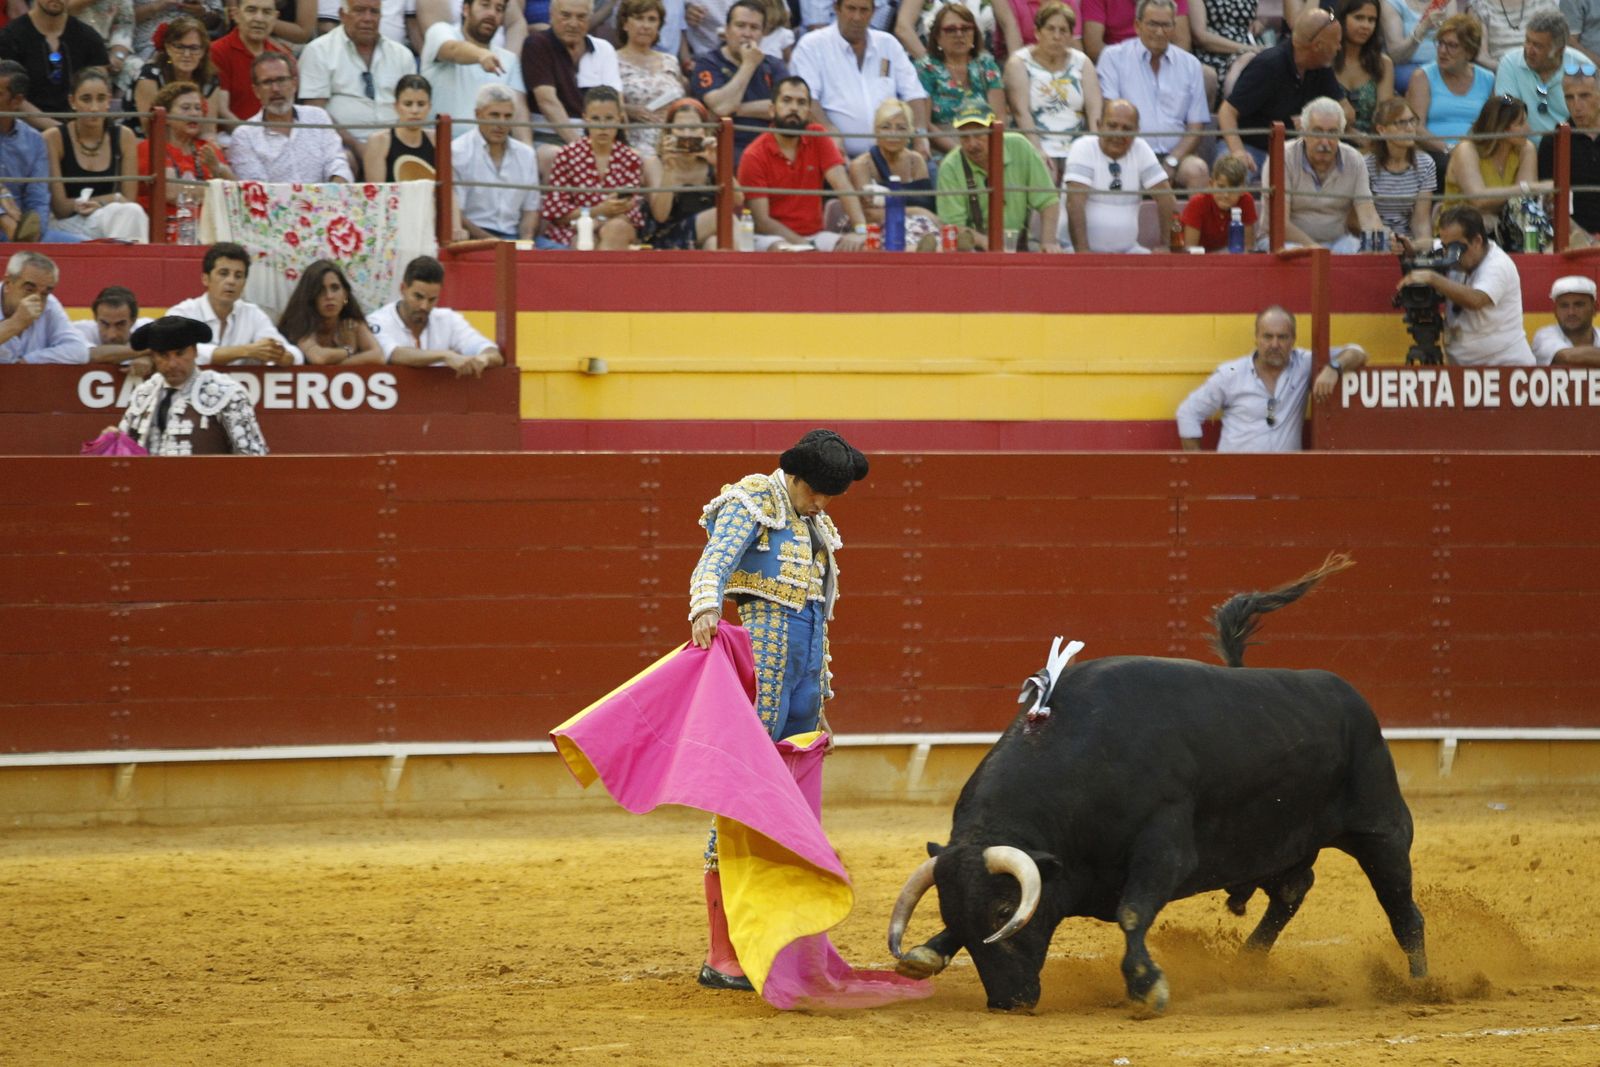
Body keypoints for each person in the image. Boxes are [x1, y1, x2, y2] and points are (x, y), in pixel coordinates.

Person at [687, 428, 870, 990]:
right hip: (764, 674)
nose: (823, 503)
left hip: (800, 681)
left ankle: (774, 940)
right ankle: (723, 955)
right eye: (817, 492)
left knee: (789, 813)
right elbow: (713, 562)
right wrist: (705, 610)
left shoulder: (815, 526)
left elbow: (818, 618)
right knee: (740, 803)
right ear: (794, 477)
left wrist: (821, 707)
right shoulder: (751, 501)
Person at [1176, 305, 1369, 452]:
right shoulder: (1231, 373)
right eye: (1267, 337)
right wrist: (1198, 466)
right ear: (1256, 338)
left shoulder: (1304, 363)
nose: (1274, 344)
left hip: (1283, 487)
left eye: (1282, 337)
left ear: (1293, 339)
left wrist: (1333, 368)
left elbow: (1358, 352)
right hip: (1236, 487)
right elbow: (1188, 413)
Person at [735, 76, 868, 250]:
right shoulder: (754, 155)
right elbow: (761, 221)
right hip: (770, 239)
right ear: (772, 110)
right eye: (787, 101)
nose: (794, 108)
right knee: (785, 251)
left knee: (862, 247)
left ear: (808, 111)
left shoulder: (817, 136)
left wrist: (860, 230)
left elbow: (842, 185)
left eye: (801, 103)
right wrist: (804, 245)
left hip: (815, 236)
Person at [1397, 204, 1535, 365]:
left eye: (1455, 248)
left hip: (1504, 367)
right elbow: (1430, 244)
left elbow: (1476, 300)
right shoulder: (1454, 248)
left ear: (1477, 241)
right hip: (1465, 370)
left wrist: (1432, 278)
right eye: (1445, 246)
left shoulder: (1498, 264)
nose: (1449, 254)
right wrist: (1411, 247)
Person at [790, 0, 932, 158]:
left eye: (863, 10)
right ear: (837, 8)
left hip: (892, 154)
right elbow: (808, 98)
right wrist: (828, 130)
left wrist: (920, 133)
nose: (857, 17)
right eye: (851, 9)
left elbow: (914, 93)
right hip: (834, 156)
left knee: (930, 171)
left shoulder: (888, 44)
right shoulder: (811, 45)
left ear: (873, 12)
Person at [113, 316, 269, 456]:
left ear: (194, 351)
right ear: (153, 356)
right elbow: (124, 457)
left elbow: (254, 458)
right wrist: (113, 440)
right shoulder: (143, 394)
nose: (172, 364)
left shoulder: (227, 393)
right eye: (163, 355)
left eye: (180, 353)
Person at [1095, 0, 1211, 186]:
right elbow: (1112, 116)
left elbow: (1196, 128)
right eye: (1153, 24)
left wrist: (1172, 162)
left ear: (1174, 26)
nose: (1159, 31)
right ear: (1137, 25)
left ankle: (1195, 216)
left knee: (1197, 170)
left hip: (1176, 156)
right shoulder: (1113, 57)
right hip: (1128, 151)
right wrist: (1145, 162)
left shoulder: (1190, 65)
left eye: (1166, 25)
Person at [1220, 8, 1349, 172]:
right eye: (1336, 42)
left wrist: (1311, 119)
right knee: (1233, 172)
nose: (1339, 48)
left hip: (1294, 152)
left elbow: (1348, 112)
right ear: (1318, 46)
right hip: (1251, 146)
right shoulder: (1269, 65)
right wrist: (1238, 152)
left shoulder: (1321, 66)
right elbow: (1227, 111)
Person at [299, 0, 420, 164]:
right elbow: (315, 113)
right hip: (339, 145)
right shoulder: (318, 51)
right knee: (342, 161)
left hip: (394, 144)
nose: (367, 18)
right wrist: (356, 146)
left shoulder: (402, 55)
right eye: (360, 10)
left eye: (374, 12)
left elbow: (411, 106)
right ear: (342, 15)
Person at [1263, 95, 1388, 252]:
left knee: (1365, 253)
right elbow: (1280, 223)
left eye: (1332, 132)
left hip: (1337, 242)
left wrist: (1380, 245)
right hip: (1287, 243)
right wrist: (1316, 250)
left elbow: (1368, 216)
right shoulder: (1282, 156)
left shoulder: (1354, 160)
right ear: (1304, 132)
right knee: (1295, 256)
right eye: (1317, 131)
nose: (1324, 141)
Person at [936, 100, 1061, 249]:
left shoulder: (1020, 146)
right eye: (964, 137)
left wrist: (1048, 243)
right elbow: (953, 227)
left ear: (995, 130)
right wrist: (985, 242)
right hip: (972, 252)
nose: (972, 144)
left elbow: (1048, 201)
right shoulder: (950, 166)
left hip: (1018, 245)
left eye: (978, 135)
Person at [41, 70, 148, 243]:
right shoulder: (53, 138)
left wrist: (102, 204)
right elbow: (60, 208)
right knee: (129, 214)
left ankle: (120, 267)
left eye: (101, 99)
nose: (94, 108)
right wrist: (112, 199)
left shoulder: (124, 136)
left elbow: (129, 199)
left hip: (110, 219)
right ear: (72, 101)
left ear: (109, 102)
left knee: (132, 212)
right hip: (67, 224)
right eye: (86, 99)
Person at [539, 85, 645, 247]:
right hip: (574, 230)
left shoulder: (630, 159)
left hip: (615, 228)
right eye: (596, 119)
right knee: (584, 234)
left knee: (616, 228)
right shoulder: (567, 155)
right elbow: (558, 214)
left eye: (609, 118)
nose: (602, 126)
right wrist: (597, 212)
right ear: (585, 119)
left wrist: (602, 222)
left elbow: (631, 214)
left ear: (619, 119)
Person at [166, 242, 303, 367]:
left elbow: (295, 355)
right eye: (223, 274)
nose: (231, 281)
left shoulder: (253, 314)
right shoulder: (184, 313)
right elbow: (178, 350)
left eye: (238, 276)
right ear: (205, 279)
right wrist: (245, 351)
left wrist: (281, 356)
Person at [1063, 97, 1172, 251]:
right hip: (1076, 251)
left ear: (1136, 132)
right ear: (1099, 125)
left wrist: (1167, 246)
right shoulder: (1083, 147)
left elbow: (1166, 199)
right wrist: (1083, 255)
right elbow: (1074, 203)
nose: (1118, 134)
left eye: (1126, 129)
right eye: (1112, 126)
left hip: (1129, 251)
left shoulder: (1141, 149)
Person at [1004, 1, 1100, 175]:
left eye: (1063, 30)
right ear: (1037, 32)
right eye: (1050, 29)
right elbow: (1020, 112)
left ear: (1071, 35)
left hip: (1078, 147)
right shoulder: (1019, 62)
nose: (1057, 36)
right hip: (1035, 145)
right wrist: (1038, 150)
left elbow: (1095, 113)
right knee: (1045, 171)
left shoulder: (1083, 62)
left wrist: (1094, 150)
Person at [368, 254, 505, 374]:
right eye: (418, 297)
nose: (424, 306)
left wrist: (484, 359)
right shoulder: (377, 321)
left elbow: (492, 352)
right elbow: (393, 354)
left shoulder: (448, 319)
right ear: (403, 289)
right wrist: (445, 356)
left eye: (432, 299)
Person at [229, 53, 355, 183]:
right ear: (256, 91)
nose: (276, 89)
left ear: (294, 84)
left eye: (281, 80)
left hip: (326, 199)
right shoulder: (245, 135)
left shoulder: (317, 117)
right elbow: (256, 187)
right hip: (274, 202)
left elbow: (335, 161)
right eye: (267, 82)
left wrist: (337, 184)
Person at [135, 81, 236, 243]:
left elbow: (234, 191)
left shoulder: (208, 148)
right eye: (186, 108)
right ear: (166, 117)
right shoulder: (150, 147)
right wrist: (215, 189)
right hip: (165, 232)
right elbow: (171, 192)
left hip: (210, 230)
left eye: (198, 108)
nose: (194, 113)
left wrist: (217, 168)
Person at [691, 0, 788, 162]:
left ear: (763, 34)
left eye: (754, 28)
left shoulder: (774, 65)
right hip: (724, 147)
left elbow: (785, 108)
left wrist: (737, 109)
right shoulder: (708, 62)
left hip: (769, 147)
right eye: (740, 25)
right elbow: (722, 107)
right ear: (727, 30)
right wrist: (748, 65)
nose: (747, 33)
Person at [522, 0, 624, 151]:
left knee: (645, 161)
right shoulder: (537, 44)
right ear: (551, 15)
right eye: (565, 15)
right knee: (552, 155)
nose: (573, 24)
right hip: (551, 136)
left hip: (599, 137)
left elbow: (616, 104)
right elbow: (547, 102)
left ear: (590, 19)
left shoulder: (604, 49)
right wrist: (582, 149)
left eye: (581, 17)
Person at [0, 62, 84, 244]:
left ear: (17, 101)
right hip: (9, 228)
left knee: (84, 246)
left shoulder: (34, 141)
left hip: (21, 233)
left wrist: (34, 232)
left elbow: (38, 198)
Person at [1439, 93, 1546, 232]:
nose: (1528, 129)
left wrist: (1526, 190)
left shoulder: (1525, 148)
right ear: (1500, 128)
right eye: (1520, 124)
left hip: (1505, 225)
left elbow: (1524, 201)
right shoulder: (1467, 150)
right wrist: (1527, 188)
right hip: (1460, 229)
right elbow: (1478, 201)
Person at [421, 0, 530, 132]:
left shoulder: (509, 59)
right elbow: (453, 49)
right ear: (466, 9)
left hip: (487, 149)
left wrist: (527, 149)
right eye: (485, 5)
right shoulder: (439, 31)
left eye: (499, 9)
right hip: (440, 146)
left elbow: (519, 114)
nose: (492, 13)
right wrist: (481, 55)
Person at [452, 83, 542, 240]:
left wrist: (525, 242)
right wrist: (495, 243)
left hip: (514, 237)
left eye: (507, 116)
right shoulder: (457, 151)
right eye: (494, 115)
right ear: (478, 115)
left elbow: (530, 210)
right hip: (474, 238)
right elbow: (457, 215)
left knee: (564, 255)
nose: (501, 123)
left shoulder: (526, 155)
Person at [916, 2, 1008, 154]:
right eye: (950, 29)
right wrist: (960, 152)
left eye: (965, 28)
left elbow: (999, 118)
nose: (959, 34)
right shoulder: (926, 68)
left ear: (974, 33)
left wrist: (983, 148)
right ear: (938, 37)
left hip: (985, 146)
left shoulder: (987, 65)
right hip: (942, 149)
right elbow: (925, 123)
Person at [0, 0, 109, 124]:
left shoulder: (89, 38)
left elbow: (100, 91)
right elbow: (11, 94)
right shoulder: (10, 37)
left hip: (79, 130)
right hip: (26, 132)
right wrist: (56, 129)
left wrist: (70, 132)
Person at [848, 97, 939, 243]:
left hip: (924, 228)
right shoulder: (861, 165)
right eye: (886, 127)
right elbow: (869, 214)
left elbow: (927, 202)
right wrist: (916, 212)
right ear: (876, 131)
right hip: (881, 232)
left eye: (901, 128)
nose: (893, 134)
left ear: (910, 131)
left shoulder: (915, 160)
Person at [1408, 12, 1494, 152]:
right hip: (1437, 154)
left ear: (1469, 52)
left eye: (1452, 45)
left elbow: (1493, 127)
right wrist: (1449, 148)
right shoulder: (1422, 76)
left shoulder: (1487, 79)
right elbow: (1416, 128)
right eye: (1440, 43)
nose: (1442, 51)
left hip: (1477, 153)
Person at [277, 260, 384, 366]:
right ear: (310, 296)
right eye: (320, 290)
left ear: (345, 295)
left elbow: (378, 356)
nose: (329, 296)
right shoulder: (299, 323)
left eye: (335, 288)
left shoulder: (350, 324)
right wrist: (348, 349)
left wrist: (339, 365)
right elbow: (319, 358)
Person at [646, 98, 720, 248]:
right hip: (665, 239)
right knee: (722, 218)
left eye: (693, 128)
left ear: (704, 131)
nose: (687, 134)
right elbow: (660, 216)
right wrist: (669, 169)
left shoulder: (712, 160)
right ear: (669, 131)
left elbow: (737, 200)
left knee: (715, 243)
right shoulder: (655, 163)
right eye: (680, 128)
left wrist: (719, 165)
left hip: (705, 236)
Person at [1538, 57, 1600, 235]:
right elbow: (1548, 203)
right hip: (1572, 237)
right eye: (1569, 97)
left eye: (1584, 96)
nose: (1577, 106)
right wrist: (1584, 238)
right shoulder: (1553, 142)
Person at [617, 0, 687, 157]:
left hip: (673, 139)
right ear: (625, 24)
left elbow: (684, 103)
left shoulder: (671, 61)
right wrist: (628, 110)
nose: (646, 25)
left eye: (652, 19)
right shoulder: (612, 60)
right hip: (635, 143)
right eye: (639, 18)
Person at [131, 15, 222, 136]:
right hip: (147, 143)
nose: (187, 54)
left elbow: (208, 130)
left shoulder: (210, 79)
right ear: (168, 48)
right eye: (180, 47)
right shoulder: (149, 76)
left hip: (190, 144)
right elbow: (151, 131)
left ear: (203, 51)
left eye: (194, 48)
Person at [210, 0, 293, 123]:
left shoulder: (283, 57)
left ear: (275, 17)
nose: (259, 18)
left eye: (267, 12)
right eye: (251, 10)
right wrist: (250, 136)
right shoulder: (217, 51)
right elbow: (222, 111)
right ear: (236, 15)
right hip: (232, 136)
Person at [1366, 96, 1435, 240]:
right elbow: (1363, 218)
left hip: (1407, 240)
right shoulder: (1364, 165)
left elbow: (1421, 222)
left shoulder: (1426, 163)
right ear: (1382, 130)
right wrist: (1388, 240)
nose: (1410, 128)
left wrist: (1421, 245)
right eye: (1401, 123)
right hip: (1372, 237)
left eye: (1412, 121)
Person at [0, 251, 89, 364]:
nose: (36, 298)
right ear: (8, 283)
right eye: (29, 289)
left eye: (45, 293)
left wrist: (28, 361)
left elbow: (79, 351)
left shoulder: (50, 304)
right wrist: (15, 323)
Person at [1493, 10, 1570, 137]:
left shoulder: (1582, 67)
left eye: (1538, 46)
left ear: (1559, 50)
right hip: (1522, 148)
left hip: (1569, 148)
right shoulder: (1509, 64)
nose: (1529, 50)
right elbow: (1507, 113)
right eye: (1528, 41)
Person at [1333, 0, 1394, 137]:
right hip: (1330, 140)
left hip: (1372, 144)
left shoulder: (1383, 63)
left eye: (1371, 20)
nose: (1366, 26)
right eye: (1359, 18)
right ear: (1342, 18)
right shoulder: (1326, 60)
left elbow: (1383, 116)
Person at [364, 73, 440, 181]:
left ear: (429, 107)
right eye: (408, 104)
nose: (415, 111)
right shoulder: (379, 141)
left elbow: (447, 190)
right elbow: (376, 194)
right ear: (396, 106)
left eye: (421, 104)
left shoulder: (436, 139)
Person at [895, 0, 1024, 62]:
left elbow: (1009, 25)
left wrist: (1015, 65)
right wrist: (931, 66)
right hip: (934, 66)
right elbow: (903, 28)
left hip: (981, 66)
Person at [1179, 152, 1256, 250]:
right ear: (1211, 184)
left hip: (1233, 261)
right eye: (1221, 187)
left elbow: (1248, 248)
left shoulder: (1246, 200)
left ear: (1242, 190)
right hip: (1200, 261)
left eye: (1232, 189)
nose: (1226, 195)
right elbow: (1190, 250)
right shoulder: (1197, 203)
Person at [1189, 0, 1264, 96]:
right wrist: (1246, 48)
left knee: (1265, 62)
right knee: (1248, 62)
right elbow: (1200, 37)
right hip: (1214, 53)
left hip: (1250, 47)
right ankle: (1229, 104)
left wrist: (1257, 23)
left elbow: (1253, 17)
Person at [1381, 0, 1457, 94]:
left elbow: (1455, 43)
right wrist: (1423, 27)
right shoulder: (1392, 3)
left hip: (1443, 64)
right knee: (1417, 80)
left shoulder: (1448, 1)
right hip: (1407, 66)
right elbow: (1396, 55)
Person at [1081, 0, 1193, 60]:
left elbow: (1182, 43)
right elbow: (1094, 48)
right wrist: (1137, 65)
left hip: (1163, 58)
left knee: (1207, 75)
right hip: (1118, 62)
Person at [73, 284, 154, 365]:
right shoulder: (78, 331)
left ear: (133, 320)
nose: (112, 335)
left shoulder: (150, 329)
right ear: (95, 318)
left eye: (120, 324)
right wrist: (149, 351)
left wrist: (148, 359)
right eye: (105, 324)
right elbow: (92, 356)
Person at [1530, 274, 1600, 362]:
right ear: (1555, 311)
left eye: (1579, 305)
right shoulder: (1544, 336)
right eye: (1564, 306)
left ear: (1594, 308)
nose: (1571, 312)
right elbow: (1568, 357)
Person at [1476, 0, 1560, 71]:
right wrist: (1514, 72)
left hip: (1543, 75)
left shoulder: (1546, 3)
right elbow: (1481, 57)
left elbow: (1558, 49)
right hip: (1501, 76)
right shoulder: (1481, 5)